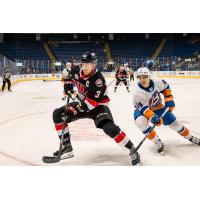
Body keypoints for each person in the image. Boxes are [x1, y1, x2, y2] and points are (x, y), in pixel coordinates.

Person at [51, 52, 141, 165]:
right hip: (82, 102)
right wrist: (68, 84)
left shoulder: (98, 80)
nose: (84, 67)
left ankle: (132, 150)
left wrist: (73, 110)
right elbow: (69, 77)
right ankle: (66, 146)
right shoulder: (76, 70)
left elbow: (90, 104)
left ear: (94, 65)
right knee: (57, 114)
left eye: (88, 64)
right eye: (83, 63)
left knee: (110, 128)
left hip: (98, 106)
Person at [132, 67, 200, 155]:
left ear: (149, 76)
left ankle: (190, 137)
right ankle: (158, 142)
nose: (142, 79)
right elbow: (144, 108)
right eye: (140, 77)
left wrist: (168, 99)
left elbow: (166, 87)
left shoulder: (156, 81)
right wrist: (153, 117)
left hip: (158, 107)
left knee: (175, 124)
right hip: (142, 110)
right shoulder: (137, 93)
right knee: (140, 122)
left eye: (144, 77)